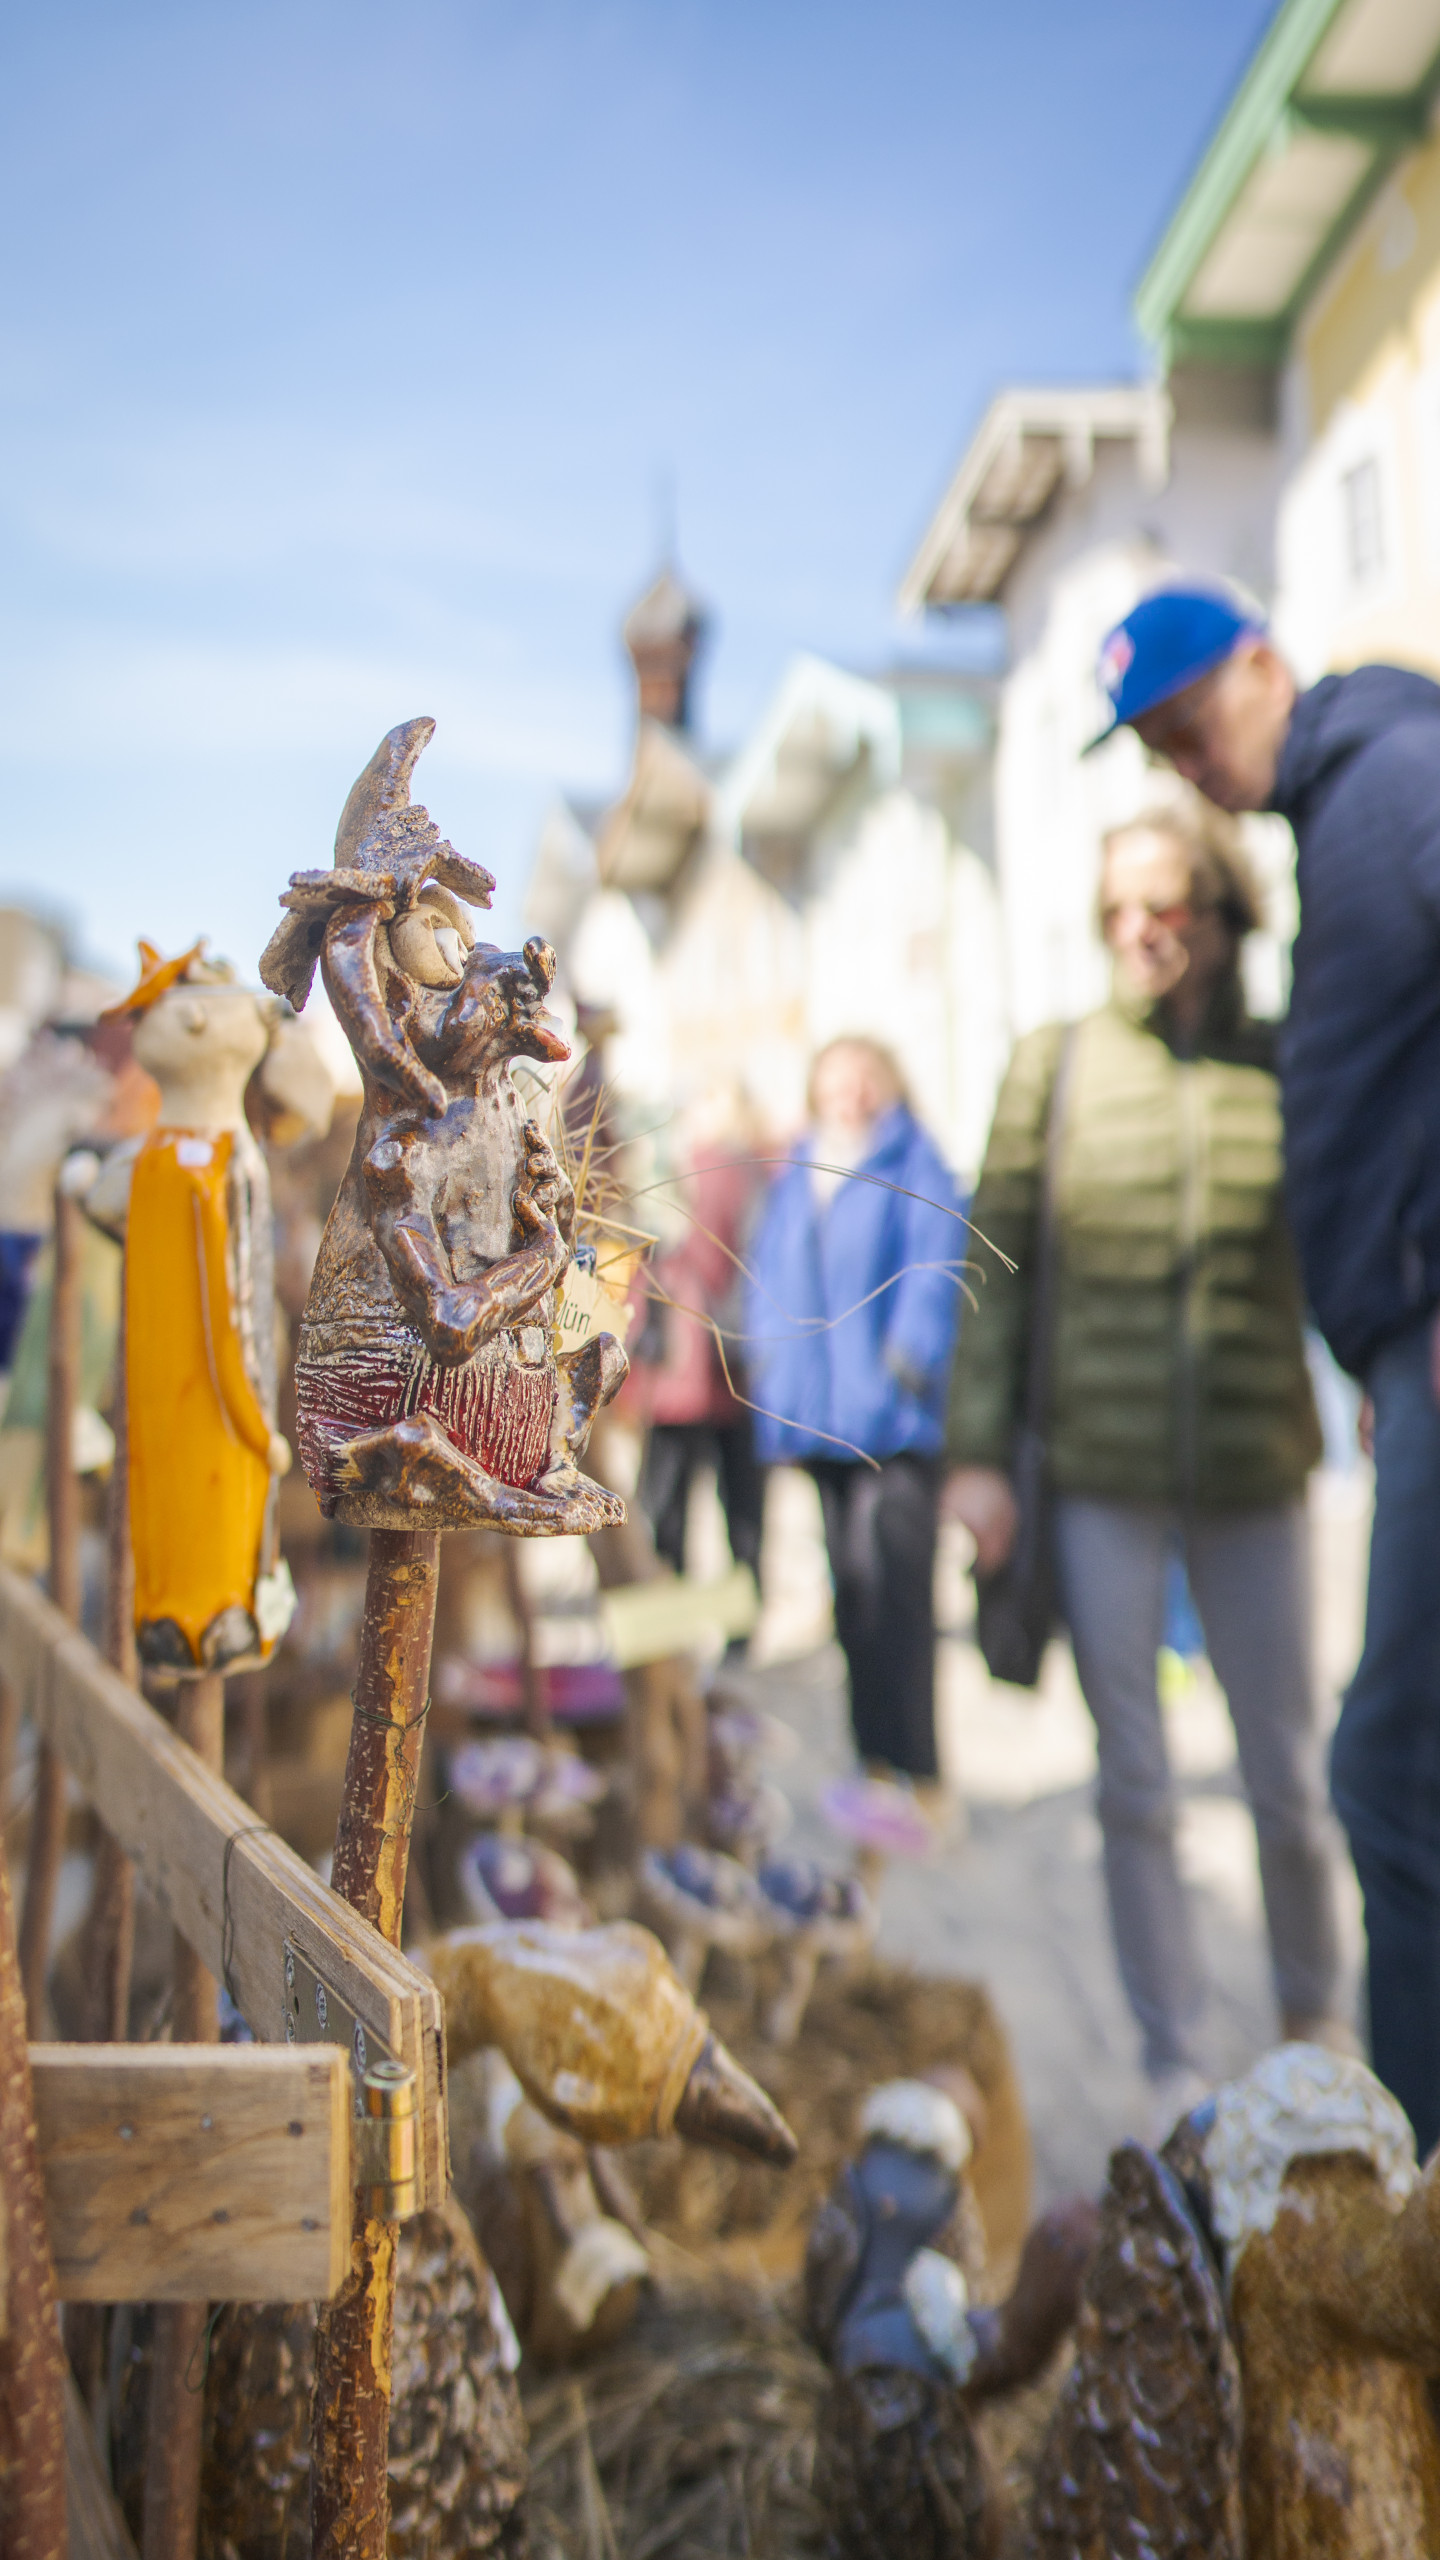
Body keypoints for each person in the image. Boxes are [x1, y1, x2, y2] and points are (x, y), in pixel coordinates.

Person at [1088, 580, 1440, 2157]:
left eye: (1189, 722)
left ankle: (1414, 2207)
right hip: (1397, 1362)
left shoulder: (1393, 782)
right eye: (1157, 748)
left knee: (1379, 1776)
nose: (1183, 760)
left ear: (1262, 663)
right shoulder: (1335, 821)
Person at [948, 793, 1346, 2135]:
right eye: (1116, 908)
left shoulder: (1285, 1062)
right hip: (1100, 1470)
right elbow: (990, 1269)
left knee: (1289, 1773)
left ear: (1222, 912)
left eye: (1164, 902)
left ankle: (1314, 2019)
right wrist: (977, 1459)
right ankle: (1171, 2052)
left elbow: (1348, 1224)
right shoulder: (1054, 1065)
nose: (1138, 929)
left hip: (1256, 1464)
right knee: (1136, 1774)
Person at [746, 1036, 962, 1786]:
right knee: (852, 1596)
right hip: (819, 1417)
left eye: (863, 1079)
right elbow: (766, 1268)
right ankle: (872, 1758)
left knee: (901, 1596)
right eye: (835, 1082)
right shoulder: (800, 1169)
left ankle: (919, 1768)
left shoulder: (915, 1164)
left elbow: (937, 1270)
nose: (850, 1094)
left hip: (892, 1421)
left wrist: (907, 1361)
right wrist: (769, 1366)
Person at [638, 1085, 765, 1587]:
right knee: (735, 1506)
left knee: (674, 1506)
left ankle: (678, 1624)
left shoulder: (717, 1169)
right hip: (704, 1362)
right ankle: (732, 1622)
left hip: (699, 1361)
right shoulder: (745, 1171)